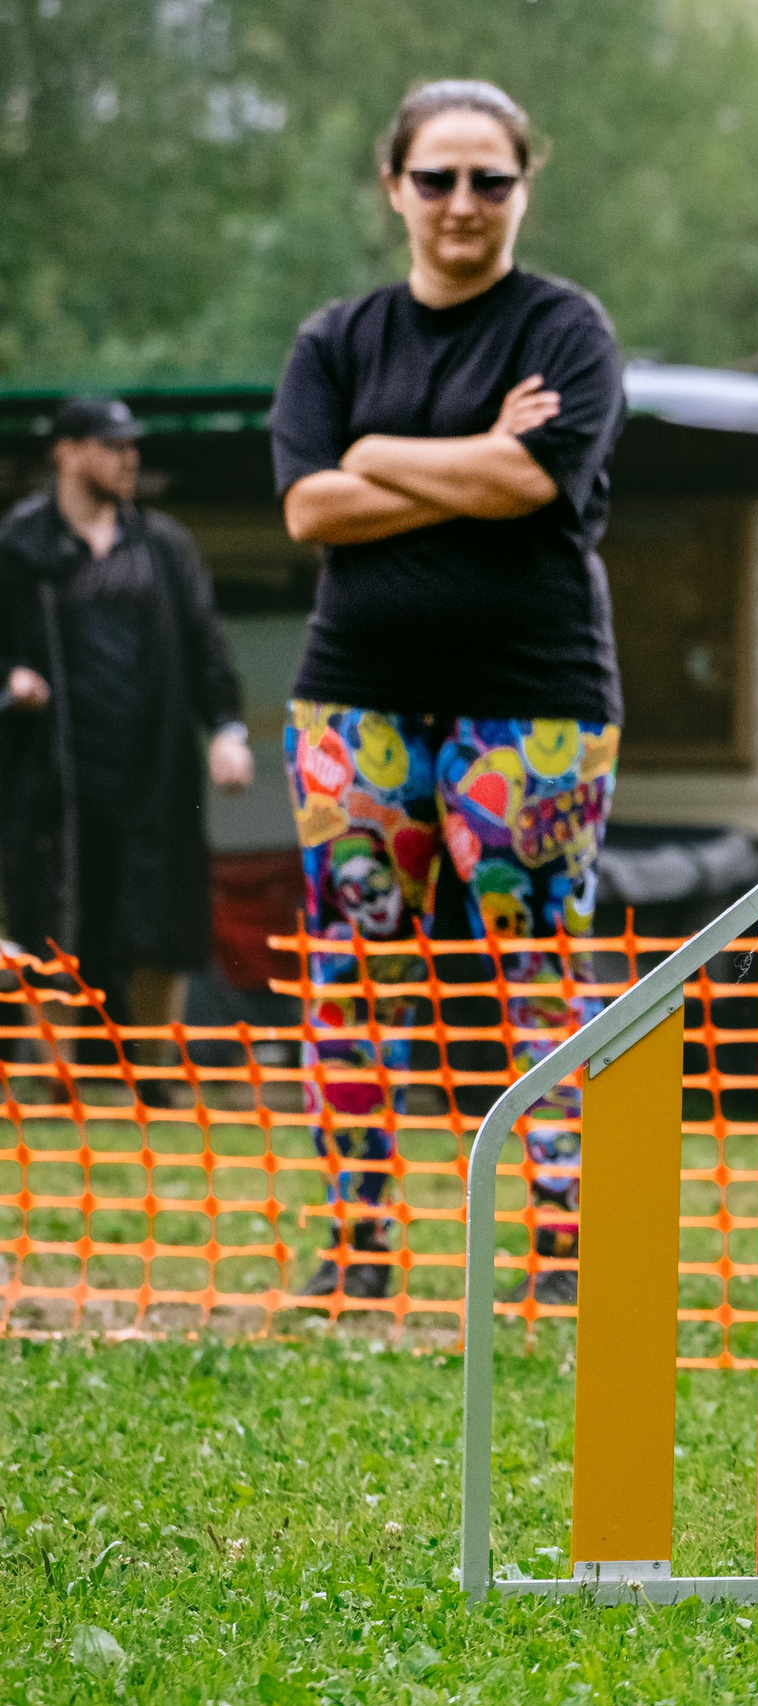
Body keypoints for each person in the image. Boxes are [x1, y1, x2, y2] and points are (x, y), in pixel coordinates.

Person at [269, 79, 627, 1301]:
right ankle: (358, 1239)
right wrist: (471, 459)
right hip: (352, 704)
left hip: (536, 708)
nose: (462, 202)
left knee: (537, 966)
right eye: (437, 177)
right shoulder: (335, 341)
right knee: (351, 967)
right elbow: (309, 504)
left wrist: (374, 455)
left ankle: (564, 1245)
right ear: (394, 188)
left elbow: (537, 484)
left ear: (525, 188)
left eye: (489, 179)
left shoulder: (566, 332)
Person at [0, 394, 254, 1030]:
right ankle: (55, 1085)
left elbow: (205, 649)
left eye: (132, 446)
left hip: (152, 771)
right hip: (53, 778)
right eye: (112, 446)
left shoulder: (163, 546)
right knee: (51, 921)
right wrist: (9, 680)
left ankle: (153, 1081)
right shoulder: (18, 544)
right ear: (66, 450)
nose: (129, 458)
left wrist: (226, 730)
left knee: (159, 923)